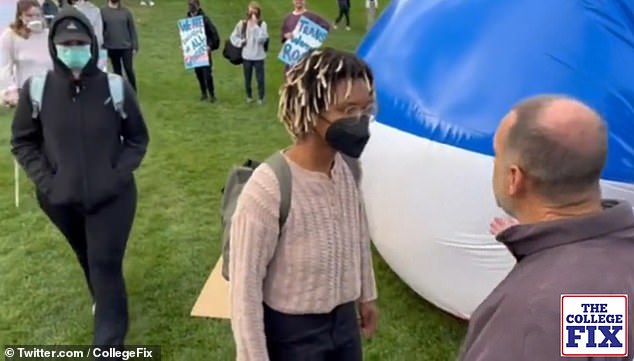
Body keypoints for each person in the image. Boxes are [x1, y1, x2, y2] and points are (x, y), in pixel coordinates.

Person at [10, 7, 149, 348]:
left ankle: (109, 343)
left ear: (92, 44)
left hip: (112, 197)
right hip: (60, 198)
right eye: (67, 42)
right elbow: (23, 141)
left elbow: (137, 139)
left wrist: (116, 175)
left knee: (105, 261)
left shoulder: (115, 87)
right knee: (86, 254)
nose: (74, 48)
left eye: (80, 42)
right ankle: (105, 301)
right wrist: (49, 183)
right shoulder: (37, 91)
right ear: (55, 47)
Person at [457, 95, 634, 361]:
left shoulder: (531, 318)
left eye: (497, 154)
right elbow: (597, 343)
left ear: (514, 178)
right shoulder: (599, 283)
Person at [229, 47, 378, 361]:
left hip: (343, 326)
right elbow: (244, 291)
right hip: (293, 336)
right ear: (311, 111)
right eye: (348, 110)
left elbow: (357, 237)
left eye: (366, 110)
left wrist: (366, 295)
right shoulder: (268, 189)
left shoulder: (345, 170)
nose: (361, 121)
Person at [0, 0, 52, 107]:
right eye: (29, 15)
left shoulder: (49, 35)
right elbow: (5, 67)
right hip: (25, 91)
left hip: (50, 89)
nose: (34, 19)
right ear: (20, 16)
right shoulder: (10, 35)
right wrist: (10, 90)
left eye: (38, 15)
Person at [229, 1, 268, 104]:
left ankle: (261, 97)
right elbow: (233, 36)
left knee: (260, 79)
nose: (252, 14)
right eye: (250, 12)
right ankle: (249, 96)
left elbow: (262, 39)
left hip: (259, 56)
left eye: (254, 12)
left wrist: (255, 26)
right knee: (247, 78)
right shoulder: (242, 24)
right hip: (246, 55)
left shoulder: (262, 24)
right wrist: (240, 42)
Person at [280, 0, 330, 72]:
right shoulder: (288, 18)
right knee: (291, 76)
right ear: (292, 1)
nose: (298, 1)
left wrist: (315, 38)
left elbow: (325, 26)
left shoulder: (312, 16)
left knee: (307, 77)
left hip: (307, 54)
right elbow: (283, 34)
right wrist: (286, 36)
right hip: (292, 54)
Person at [101, 0, 138, 90]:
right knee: (117, 71)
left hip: (126, 46)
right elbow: (100, 29)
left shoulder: (126, 12)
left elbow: (132, 29)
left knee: (128, 69)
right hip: (111, 46)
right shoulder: (102, 12)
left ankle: (133, 90)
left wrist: (135, 46)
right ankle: (120, 91)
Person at [187, 0, 219, 102]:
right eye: (189, 5)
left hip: (204, 49)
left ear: (198, 6)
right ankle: (204, 93)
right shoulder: (188, 19)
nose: (190, 7)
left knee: (207, 74)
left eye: (192, 5)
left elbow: (214, 34)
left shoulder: (205, 19)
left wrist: (210, 46)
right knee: (198, 73)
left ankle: (212, 95)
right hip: (194, 51)